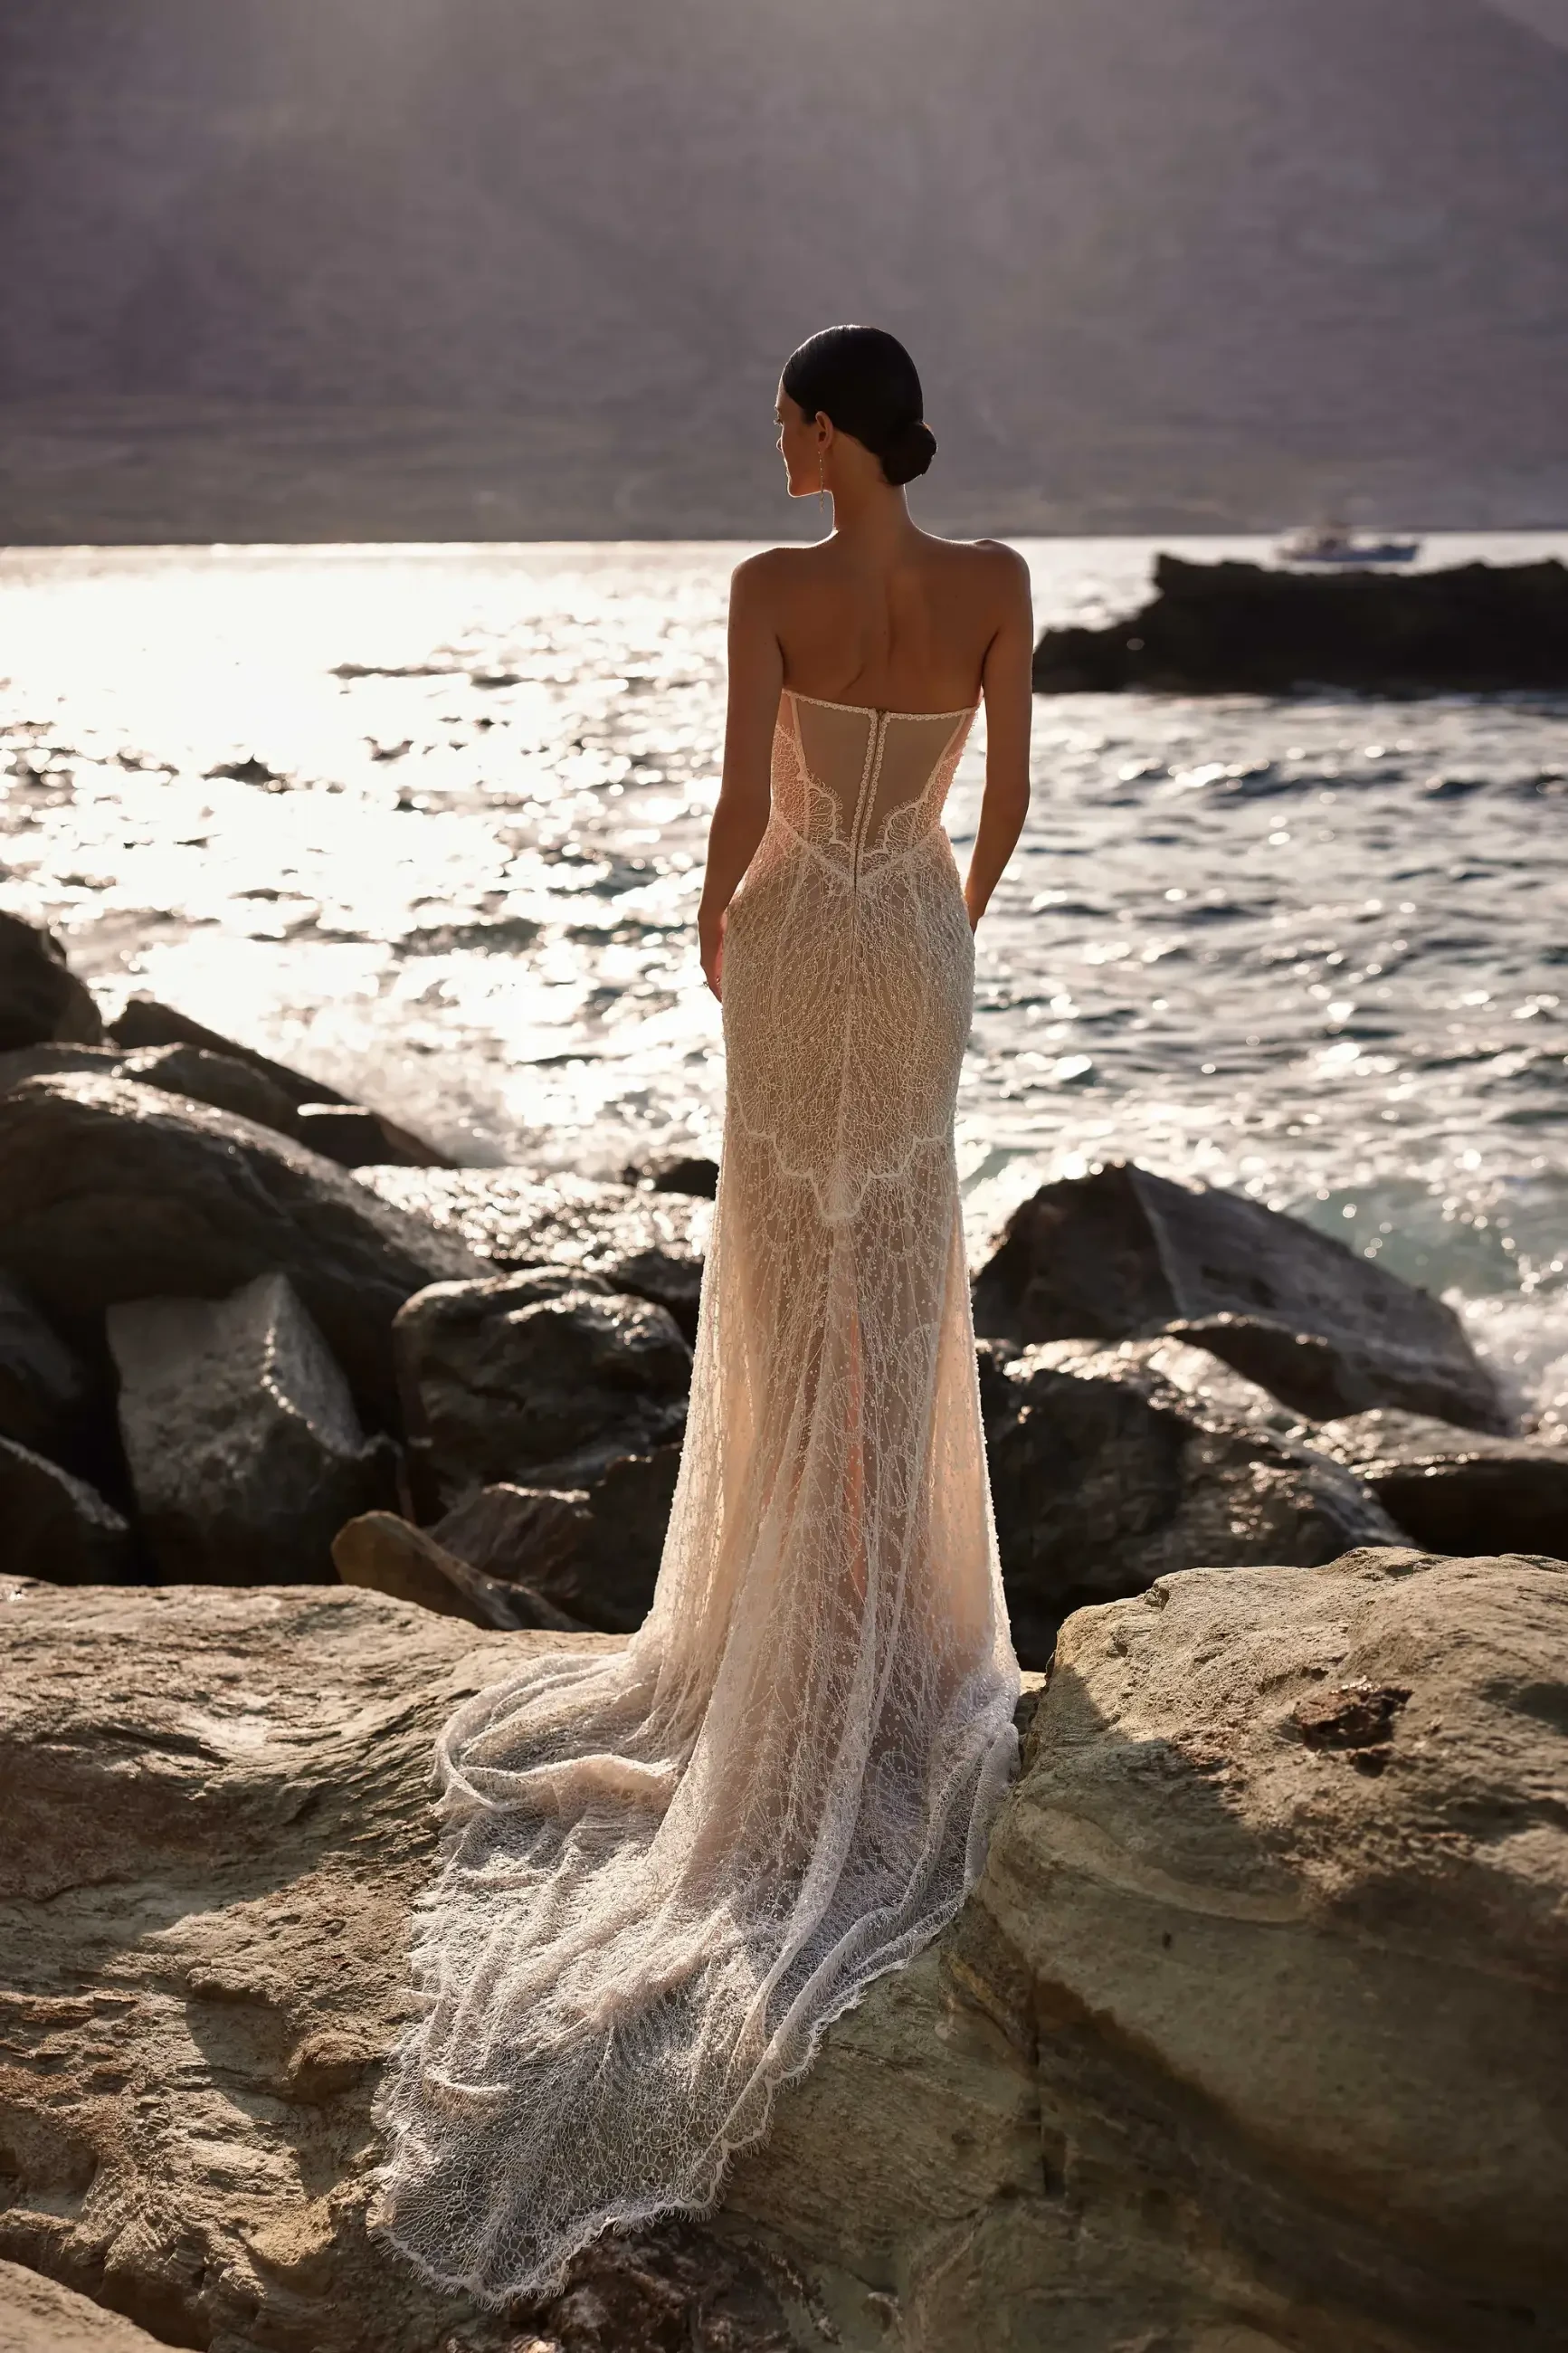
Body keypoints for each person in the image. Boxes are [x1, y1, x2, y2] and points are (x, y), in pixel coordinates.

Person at [374, 324, 1033, 2310]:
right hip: (914, 937)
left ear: (829, 428)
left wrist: (729, 938)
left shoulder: (768, 588)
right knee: (898, 1261)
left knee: (782, 1262)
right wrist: (935, 912)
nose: (768, 443)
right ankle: (889, 1614)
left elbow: (738, 815)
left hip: (800, 939)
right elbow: (1001, 814)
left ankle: (784, 1618)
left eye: (779, 415)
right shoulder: (997, 582)